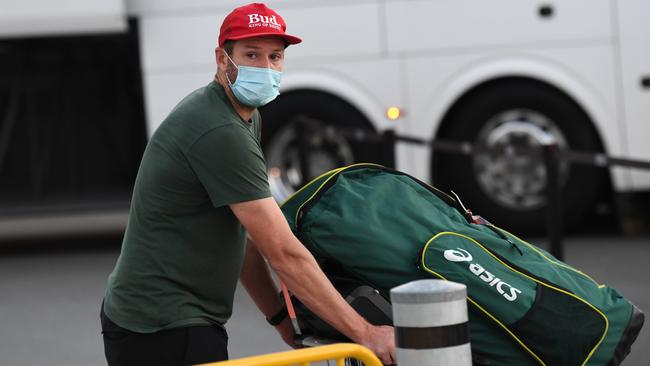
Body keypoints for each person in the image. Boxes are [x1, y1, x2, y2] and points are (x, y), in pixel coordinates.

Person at [100, 3, 395, 365]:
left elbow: (243, 237)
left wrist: (281, 320)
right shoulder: (220, 130)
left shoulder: (238, 115)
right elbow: (283, 253)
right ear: (222, 59)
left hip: (156, 318)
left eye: (275, 57)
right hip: (165, 326)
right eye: (251, 55)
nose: (265, 68)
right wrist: (364, 332)